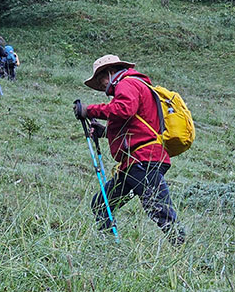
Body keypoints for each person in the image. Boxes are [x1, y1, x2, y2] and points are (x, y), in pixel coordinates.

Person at [74, 54, 185, 245]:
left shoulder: (127, 83)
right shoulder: (136, 84)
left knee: (159, 209)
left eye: (100, 79)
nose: (101, 85)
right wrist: (105, 132)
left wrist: (89, 110)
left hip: (142, 159)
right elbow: (136, 124)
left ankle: (181, 248)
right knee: (102, 204)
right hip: (134, 162)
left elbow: (123, 110)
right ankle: (109, 246)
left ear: (110, 72)